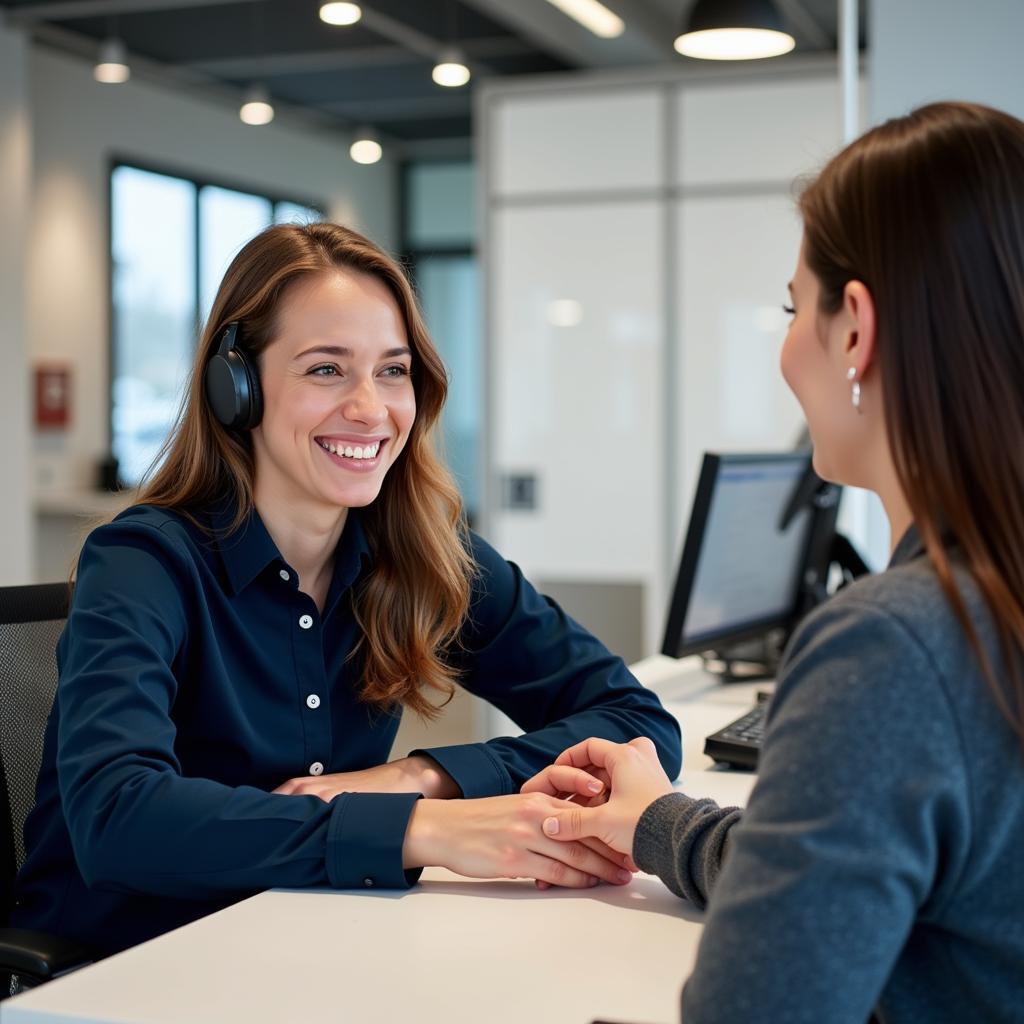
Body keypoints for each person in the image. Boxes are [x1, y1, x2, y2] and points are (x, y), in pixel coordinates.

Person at [11, 222, 681, 958]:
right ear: (236, 387)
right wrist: (425, 831)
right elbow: (119, 820)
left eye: (392, 371)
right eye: (326, 369)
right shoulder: (142, 563)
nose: (370, 408)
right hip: (130, 966)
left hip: (313, 936)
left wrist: (417, 778)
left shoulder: (425, 554)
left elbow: (637, 723)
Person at [526, 101, 1024, 1023]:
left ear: (855, 330)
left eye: (796, 309)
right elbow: (863, 858)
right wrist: (659, 824)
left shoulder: (896, 647)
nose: (787, 346)